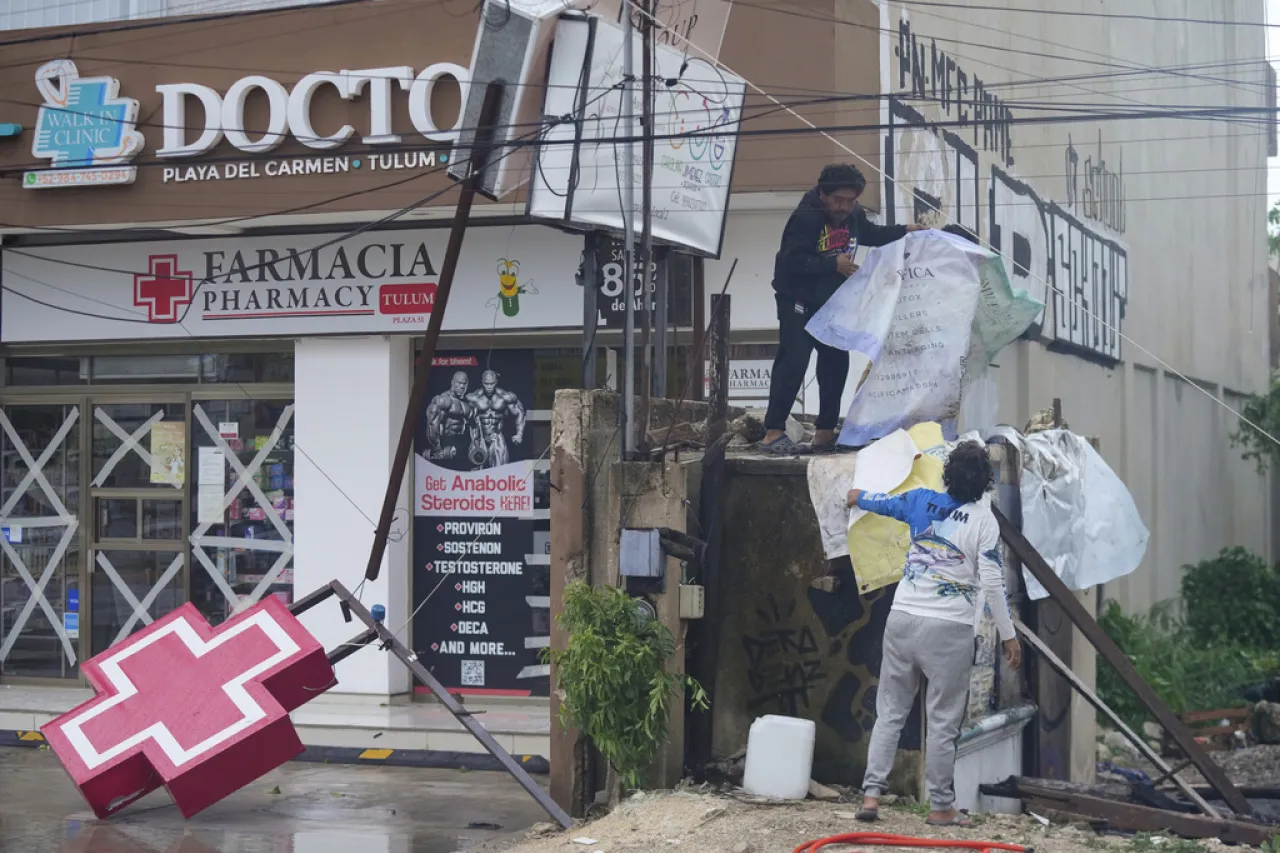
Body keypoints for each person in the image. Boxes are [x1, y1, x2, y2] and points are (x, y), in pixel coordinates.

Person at [845, 441, 1021, 828]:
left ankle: (871, 796)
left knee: (889, 712)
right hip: (949, 631)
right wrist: (1008, 636)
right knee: (942, 722)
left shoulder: (921, 501)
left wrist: (857, 496)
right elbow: (992, 585)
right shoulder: (983, 521)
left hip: (903, 619)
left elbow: (883, 503)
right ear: (984, 482)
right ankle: (941, 807)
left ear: (947, 475)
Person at [762, 164, 926, 455]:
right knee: (795, 360)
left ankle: (825, 431)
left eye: (851, 200)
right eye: (838, 200)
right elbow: (791, 260)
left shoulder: (854, 214)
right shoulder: (806, 217)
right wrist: (832, 264)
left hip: (832, 302)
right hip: (796, 299)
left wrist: (905, 231)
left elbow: (871, 234)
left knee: (835, 362)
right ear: (823, 194)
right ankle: (773, 432)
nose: (844, 207)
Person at [465, 369, 527, 468]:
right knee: (476, 474)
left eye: (491, 384)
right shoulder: (473, 398)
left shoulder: (505, 397)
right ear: (482, 382)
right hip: (480, 438)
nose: (489, 387)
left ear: (496, 382)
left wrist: (519, 434)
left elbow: (519, 413)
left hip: (496, 436)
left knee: (500, 471)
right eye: (486, 384)